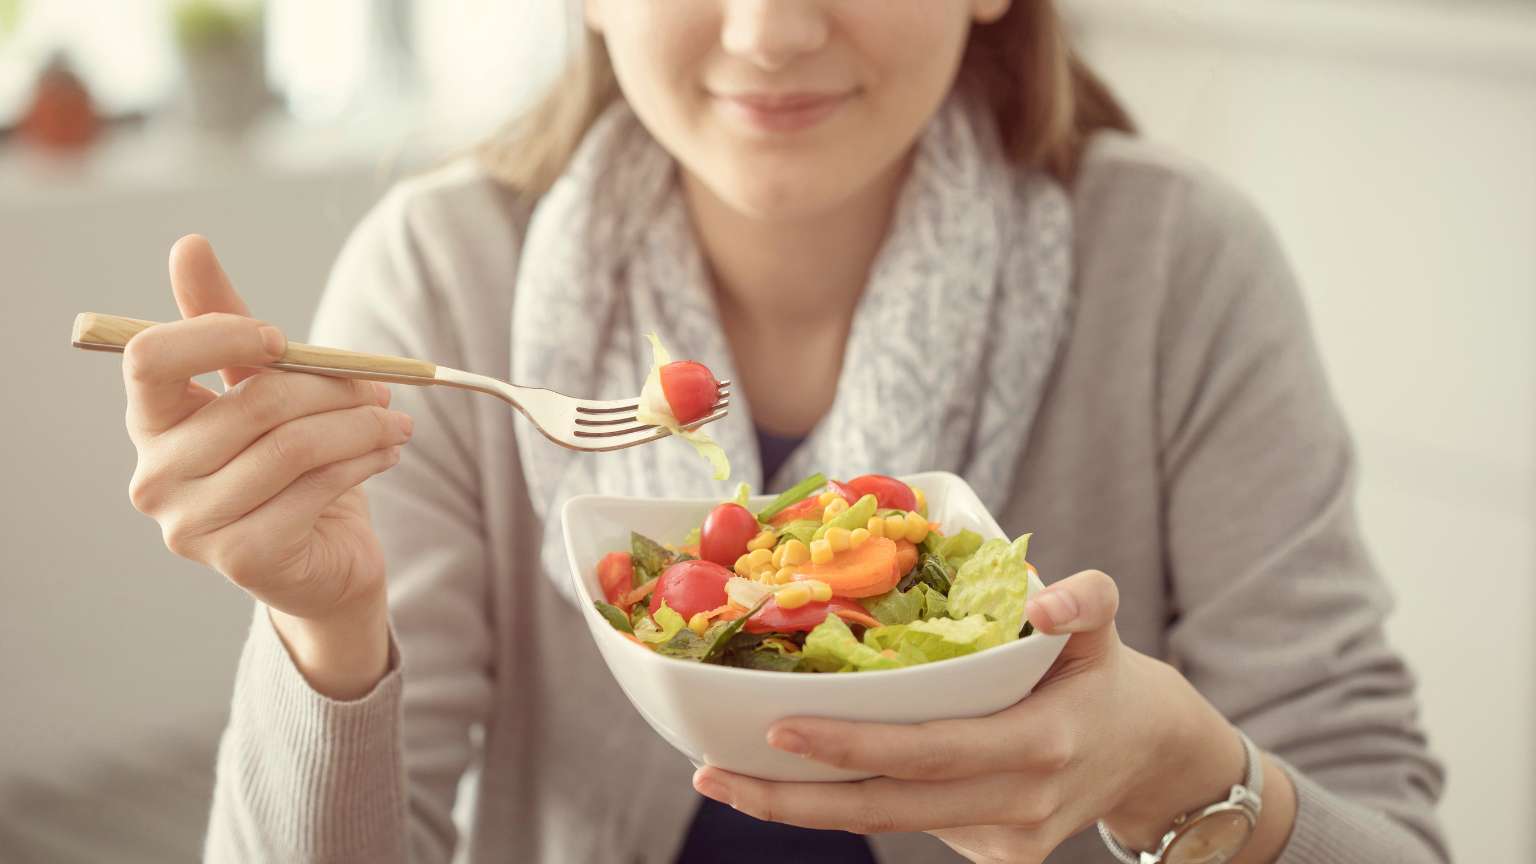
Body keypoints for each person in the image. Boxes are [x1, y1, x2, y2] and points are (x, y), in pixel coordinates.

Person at [114, 2, 1447, 862]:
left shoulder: (1179, 267)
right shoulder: (443, 275)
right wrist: (329, 638)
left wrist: (1174, 770)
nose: (767, 32)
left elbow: (1386, 828)